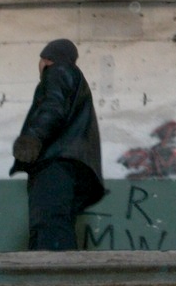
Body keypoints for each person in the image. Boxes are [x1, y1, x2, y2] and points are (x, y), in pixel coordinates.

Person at [10, 39, 105, 250]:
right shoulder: (76, 81)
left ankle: (48, 272)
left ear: (46, 59)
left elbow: (53, 107)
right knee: (59, 225)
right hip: (74, 167)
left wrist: (32, 138)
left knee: (47, 225)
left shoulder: (57, 70)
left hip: (56, 162)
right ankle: (58, 270)